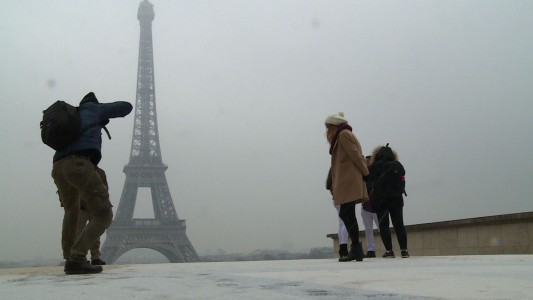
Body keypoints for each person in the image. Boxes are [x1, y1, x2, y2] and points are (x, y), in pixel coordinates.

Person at [52, 92, 132, 274]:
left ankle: (70, 258)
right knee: (104, 214)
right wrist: (103, 111)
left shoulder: (74, 115)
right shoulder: (95, 109)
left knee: (71, 212)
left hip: (59, 166)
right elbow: (126, 106)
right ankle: (77, 258)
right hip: (79, 163)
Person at [325, 112, 369, 262]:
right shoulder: (343, 134)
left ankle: (356, 248)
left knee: (346, 213)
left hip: (348, 180)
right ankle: (356, 249)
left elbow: (355, 155)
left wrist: (365, 171)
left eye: (328, 128)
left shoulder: (343, 134)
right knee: (347, 213)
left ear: (333, 126)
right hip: (347, 180)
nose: (327, 133)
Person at [368, 144, 409, 258]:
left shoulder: (375, 166)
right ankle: (404, 250)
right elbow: (403, 174)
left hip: (381, 201)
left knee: (384, 226)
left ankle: (389, 251)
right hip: (396, 199)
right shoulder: (397, 165)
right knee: (399, 224)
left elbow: (370, 180)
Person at [75, 167, 108, 266]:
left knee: (93, 233)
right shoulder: (99, 172)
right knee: (80, 232)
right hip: (82, 206)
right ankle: (81, 256)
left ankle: (94, 257)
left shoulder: (99, 172)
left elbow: (104, 189)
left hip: (92, 206)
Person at [326, 169, 349, 260]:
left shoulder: (332, 174)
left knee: (341, 223)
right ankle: (343, 246)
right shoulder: (339, 172)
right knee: (346, 223)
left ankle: (342, 247)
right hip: (342, 198)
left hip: (336, 199)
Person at [361, 155, 379, 258]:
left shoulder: (375, 175)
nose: (366, 164)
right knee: (368, 230)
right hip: (366, 207)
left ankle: (388, 248)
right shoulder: (363, 175)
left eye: (368, 162)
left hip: (375, 206)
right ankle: (371, 250)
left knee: (381, 228)